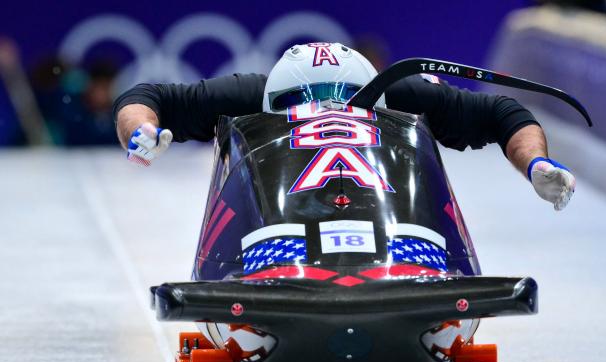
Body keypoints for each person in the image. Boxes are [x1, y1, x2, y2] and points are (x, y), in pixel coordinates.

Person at [113, 42, 576, 211]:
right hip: (283, 206)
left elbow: (504, 114)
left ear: (373, 94)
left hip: (383, 201)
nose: (328, 112)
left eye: (345, 101)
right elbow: (146, 98)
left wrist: (535, 163)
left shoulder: (408, 94)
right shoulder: (245, 93)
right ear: (273, 99)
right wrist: (141, 131)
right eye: (305, 102)